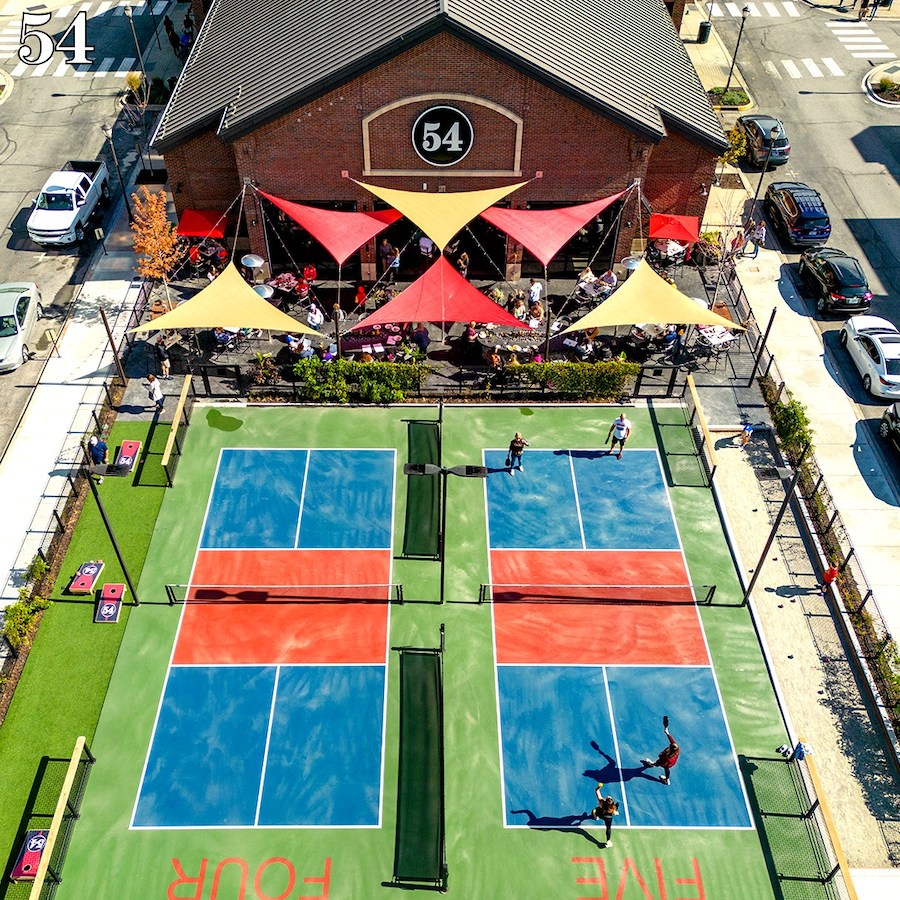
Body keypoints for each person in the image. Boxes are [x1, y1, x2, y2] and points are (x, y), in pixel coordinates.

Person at [641, 720, 679, 785]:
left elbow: (663, 763)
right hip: (670, 762)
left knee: (663, 767)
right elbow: (672, 741)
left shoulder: (667, 757)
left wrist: (660, 757)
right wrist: (667, 733)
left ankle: (667, 780)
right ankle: (652, 764)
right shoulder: (676, 749)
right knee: (659, 764)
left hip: (666, 764)